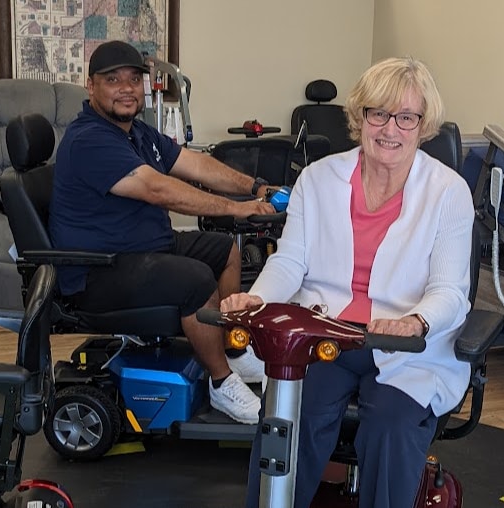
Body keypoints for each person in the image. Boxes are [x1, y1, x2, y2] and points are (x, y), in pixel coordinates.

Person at [221, 56, 475, 507]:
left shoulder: (449, 191)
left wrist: (416, 322)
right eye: (377, 113)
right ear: (359, 118)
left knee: (390, 427)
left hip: (405, 348)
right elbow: (291, 262)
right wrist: (256, 298)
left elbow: (450, 291)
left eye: (406, 117)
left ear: (423, 124)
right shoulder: (318, 179)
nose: (390, 129)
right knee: (289, 415)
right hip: (327, 334)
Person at [49, 40, 275, 425]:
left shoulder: (137, 133)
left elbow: (196, 165)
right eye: (112, 80)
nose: (126, 88)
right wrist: (238, 208)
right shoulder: (89, 139)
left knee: (225, 251)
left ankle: (231, 350)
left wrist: (255, 187)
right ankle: (221, 383)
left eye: (134, 79)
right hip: (98, 271)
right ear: (91, 87)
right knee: (195, 280)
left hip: (144, 249)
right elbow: (159, 189)